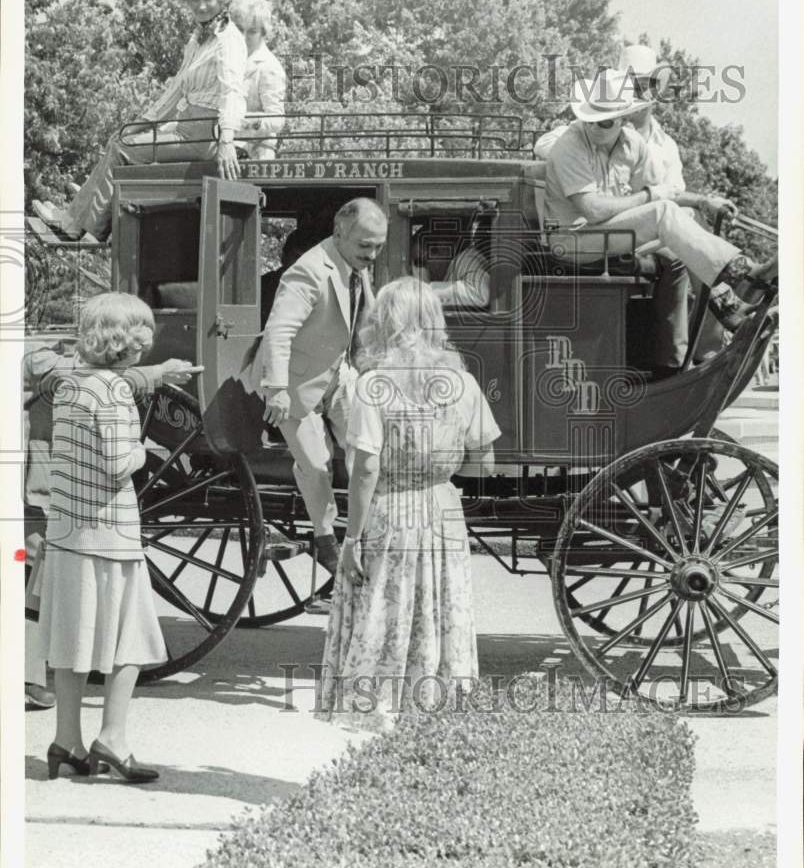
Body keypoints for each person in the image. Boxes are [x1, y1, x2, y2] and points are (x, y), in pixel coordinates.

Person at [316, 277, 501, 731]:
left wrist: (351, 538)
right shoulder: (462, 381)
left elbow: (365, 469)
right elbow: (487, 463)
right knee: (441, 607)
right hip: (442, 510)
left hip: (390, 511)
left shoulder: (373, 384)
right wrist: (436, 474)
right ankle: (435, 707)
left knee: (384, 609)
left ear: (383, 322)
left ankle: (379, 707)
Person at [36, 294, 178, 783]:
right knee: (131, 641)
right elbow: (120, 464)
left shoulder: (69, 384)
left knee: (70, 642)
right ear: (131, 342)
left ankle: (66, 742)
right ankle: (112, 739)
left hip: (66, 532)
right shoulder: (115, 392)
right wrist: (147, 446)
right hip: (109, 534)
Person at [23, 339, 195, 714]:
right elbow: (76, 380)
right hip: (40, 480)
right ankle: (29, 677)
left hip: (53, 482)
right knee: (34, 561)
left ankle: (37, 678)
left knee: (36, 568)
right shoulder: (46, 363)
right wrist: (155, 375)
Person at [545, 68, 776, 335]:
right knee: (663, 213)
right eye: (590, 120)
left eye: (605, 122)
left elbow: (664, 191)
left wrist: (703, 201)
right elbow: (594, 209)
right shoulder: (568, 146)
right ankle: (744, 274)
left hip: (610, 234)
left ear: (622, 118)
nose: (595, 127)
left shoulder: (633, 144)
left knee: (685, 228)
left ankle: (724, 311)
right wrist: (650, 196)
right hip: (571, 241)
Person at [32, 0, 246, 240]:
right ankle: (77, 219)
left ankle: (79, 227)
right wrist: (141, 123)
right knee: (120, 138)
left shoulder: (230, 40)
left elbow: (233, 92)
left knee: (121, 148)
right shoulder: (198, 40)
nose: (201, 5)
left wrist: (227, 140)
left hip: (204, 135)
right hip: (185, 127)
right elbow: (174, 92)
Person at [260, 198, 388, 572]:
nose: (373, 254)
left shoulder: (355, 264)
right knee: (315, 465)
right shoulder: (308, 272)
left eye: (378, 245)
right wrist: (277, 388)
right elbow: (279, 331)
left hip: (337, 372)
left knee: (367, 450)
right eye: (366, 245)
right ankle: (326, 539)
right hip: (297, 383)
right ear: (339, 234)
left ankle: (362, 531)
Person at [618, 44, 734, 366]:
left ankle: (704, 349)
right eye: (634, 85)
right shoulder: (608, 131)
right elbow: (549, 144)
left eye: (649, 84)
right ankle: (679, 360)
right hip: (623, 233)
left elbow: (678, 195)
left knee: (693, 230)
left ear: (657, 90)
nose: (642, 92)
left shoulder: (666, 144)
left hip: (661, 231)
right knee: (681, 247)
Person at [230, 0, 286, 160]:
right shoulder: (231, 60)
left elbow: (277, 120)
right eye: (240, 30)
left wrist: (243, 122)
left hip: (253, 150)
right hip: (224, 144)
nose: (244, 36)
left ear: (263, 32)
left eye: (252, 31)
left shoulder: (269, 67)